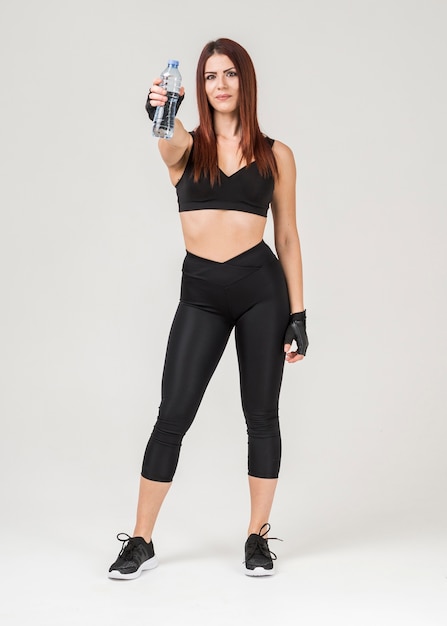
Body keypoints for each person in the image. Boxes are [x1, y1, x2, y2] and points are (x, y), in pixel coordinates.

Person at [108, 38, 308, 580]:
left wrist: (299, 313)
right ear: (199, 86)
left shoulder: (275, 154)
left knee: (261, 416)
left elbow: (286, 236)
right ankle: (141, 541)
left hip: (261, 289)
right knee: (172, 415)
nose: (220, 84)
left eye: (230, 75)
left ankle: (257, 538)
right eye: (211, 76)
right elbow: (164, 135)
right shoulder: (184, 147)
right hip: (201, 292)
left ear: (245, 81)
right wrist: (157, 109)